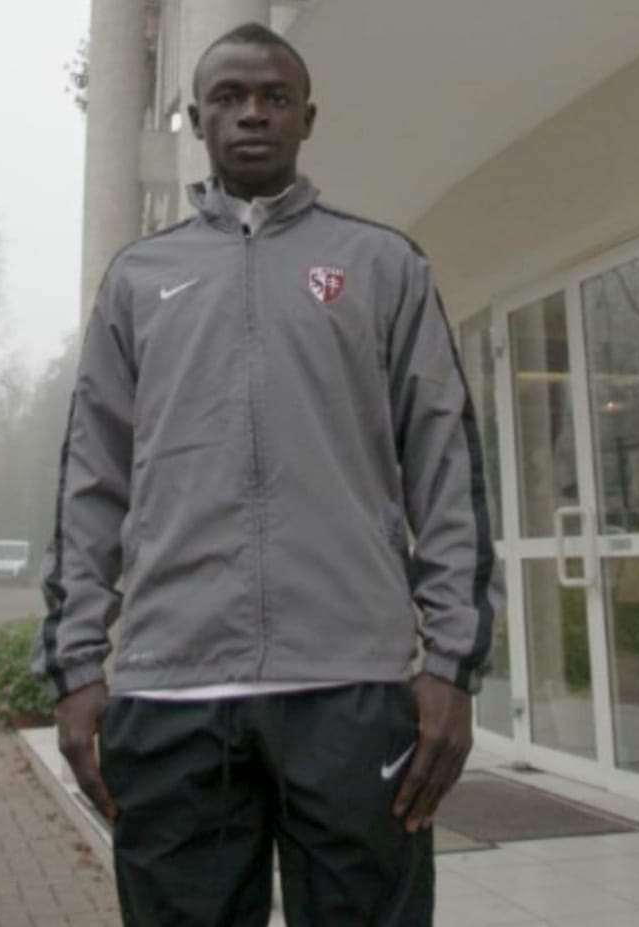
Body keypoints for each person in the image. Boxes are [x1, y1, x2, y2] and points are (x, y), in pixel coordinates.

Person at [33, 21, 504, 927]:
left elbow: (446, 471)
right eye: (229, 97)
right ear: (195, 117)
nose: (252, 113)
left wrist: (451, 664)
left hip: (351, 689)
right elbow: (90, 483)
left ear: (306, 118)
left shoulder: (382, 265)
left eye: (273, 97)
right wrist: (76, 667)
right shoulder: (137, 279)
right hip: (172, 692)